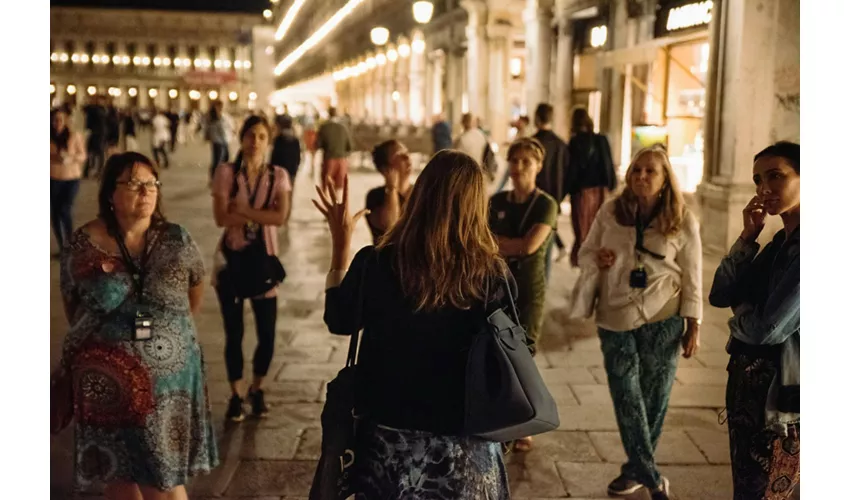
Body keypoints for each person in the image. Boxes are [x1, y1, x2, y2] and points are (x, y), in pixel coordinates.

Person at [315, 151, 513, 499]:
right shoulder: (491, 274)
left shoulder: (376, 263)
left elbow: (339, 320)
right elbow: (515, 349)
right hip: (466, 447)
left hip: (389, 446)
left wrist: (341, 248)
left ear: (421, 195)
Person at [55, 151, 219, 499]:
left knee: (163, 480)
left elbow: (194, 296)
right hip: (106, 385)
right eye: (133, 183)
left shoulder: (177, 239)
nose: (145, 191)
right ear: (110, 193)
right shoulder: (82, 244)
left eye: (151, 183)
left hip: (168, 389)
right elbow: (74, 310)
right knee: (118, 479)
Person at [569, 146, 701, 500]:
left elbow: (693, 274)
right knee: (626, 396)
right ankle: (653, 477)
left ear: (664, 179)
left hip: (665, 316)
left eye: (650, 171)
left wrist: (694, 324)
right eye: (636, 170)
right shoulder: (611, 211)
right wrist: (598, 256)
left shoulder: (683, 217)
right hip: (615, 315)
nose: (641, 176)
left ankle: (636, 470)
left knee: (654, 399)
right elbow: (583, 252)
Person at [708, 142, 800, 499]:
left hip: (782, 400)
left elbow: (768, 328)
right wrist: (748, 236)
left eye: (776, 176)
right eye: (758, 180)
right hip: (749, 392)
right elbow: (719, 295)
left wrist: (742, 313)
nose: (764, 189)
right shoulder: (778, 241)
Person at [211, 115, 293, 422]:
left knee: (267, 334)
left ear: (268, 140)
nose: (255, 141)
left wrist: (244, 212)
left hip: (264, 262)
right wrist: (260, 213)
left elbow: (281, 217)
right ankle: (236, 394)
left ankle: (257, 388)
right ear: (241, 138)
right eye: (250, 135)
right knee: (234, 333)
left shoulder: (279, 175)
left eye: (261, 136)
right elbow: (221, 218)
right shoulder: (226, 173)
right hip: (231, 260)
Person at [488, 137, 559, 452]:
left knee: (523, 352)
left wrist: (500, 243)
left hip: (529, 289)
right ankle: (505, 416)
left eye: (525, 162)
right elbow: (481, 240)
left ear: (538, 166)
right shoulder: (496, 202)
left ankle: (525, 420)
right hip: (496, 285)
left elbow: (529, 246)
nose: (517, 168)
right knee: (495, 347)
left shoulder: (545, 204)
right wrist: (505, 243)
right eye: (514, 161)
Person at [566, 108, 617, 267]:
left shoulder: (574, 142)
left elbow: (572, 170)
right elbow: (608, 164)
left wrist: (569, 189)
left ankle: (585, 263)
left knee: (583, 230)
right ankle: (597, 262)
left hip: (581, 194)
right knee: (600, 227)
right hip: (600, 191)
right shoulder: (601, 139)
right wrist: (612, 185)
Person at [532, 103, 570, 268]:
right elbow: (567, 173)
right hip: (555, 195)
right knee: (547, 238)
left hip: (535, 196)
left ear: (537, 118)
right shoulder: (561, 144)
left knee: (537, 244)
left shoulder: (533, 142)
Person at [50, 108, 87, 253]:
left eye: (60, 120)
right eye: (54, 120)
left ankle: (70, 244)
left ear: (65, 121)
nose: (57, 123)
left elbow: (83, 155)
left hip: (71, 177)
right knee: (54, 213)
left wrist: (70, 158)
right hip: (52, 178)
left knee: (65, 209)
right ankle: (61, 246)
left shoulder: (75, 136)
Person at [364, 140, 413, 244]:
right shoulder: (375, 196)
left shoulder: (420, 192)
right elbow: (390, 226)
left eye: (407, 153)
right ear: (386, 168)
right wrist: (392, 189)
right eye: (399, 155)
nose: (407, 157)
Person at [316, 106, 354, 195]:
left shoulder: (324, 127)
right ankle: (338, 203)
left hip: (329, 159)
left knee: (327, 184)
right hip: (342, 160)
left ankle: (327, 203)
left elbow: (318, 144)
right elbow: (350, 146)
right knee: (340, 187)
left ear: (328, 114)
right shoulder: (343, 128)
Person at [270, 114, 302, 204]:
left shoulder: (279, 139)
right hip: (291, 170)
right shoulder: (295, 139)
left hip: (279, 170)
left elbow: (274, 156)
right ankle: (287, 212)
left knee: (279, 194)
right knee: (289, 193)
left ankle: (282, 213)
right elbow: (298, 156)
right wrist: (296, 168)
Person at [84, 95, 108, 178]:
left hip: (99, 134)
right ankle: (88, 170)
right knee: (91, 153)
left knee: (99, 153)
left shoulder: (101, 110)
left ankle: (99, 170)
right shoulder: (95, 109)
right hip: (94, 133)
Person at [206, 102, 230, 180]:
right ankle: (217, 177)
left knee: (215, 160)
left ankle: (213, 176)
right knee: (222, 159)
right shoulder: (219, 119)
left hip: (214, 141)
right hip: (221, 142)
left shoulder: (210, 119)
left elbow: (208, 130)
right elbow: (222, 131)